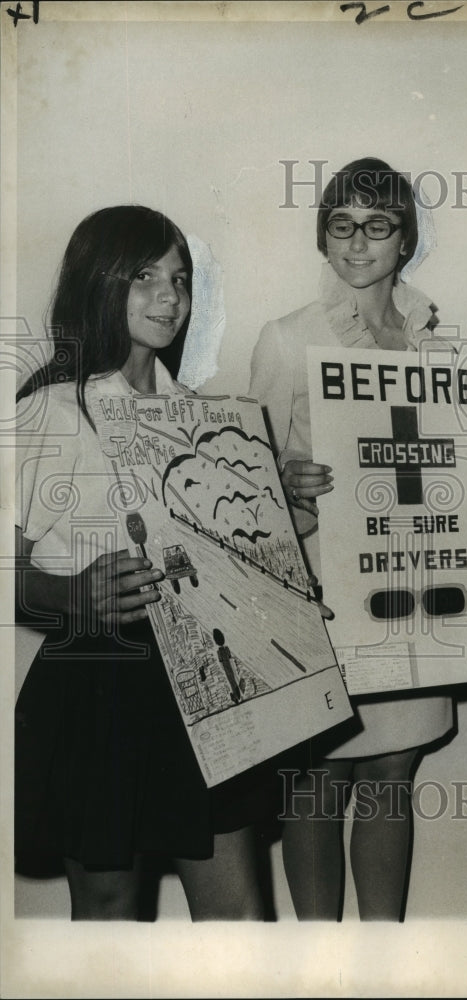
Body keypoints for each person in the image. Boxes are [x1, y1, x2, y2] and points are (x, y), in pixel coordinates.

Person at [249, 157, 467, 920]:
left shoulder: (440, 343)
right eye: (342, 224)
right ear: (322, 237)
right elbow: (247, 477)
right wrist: (285, 478)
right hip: (325, 592)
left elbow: (454, 462)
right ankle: (320, 962)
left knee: (393, 769)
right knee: (319, 776)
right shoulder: (287, 336)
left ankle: (382, 954)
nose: (359, 241)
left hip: (415, 585)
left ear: (405, 240)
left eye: (378, 225)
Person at [15, 205, 266, 920]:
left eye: (180, 280)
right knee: (108, 913)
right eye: (146, 278)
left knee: (237, 916)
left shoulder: (204, 414)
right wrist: (68, 596)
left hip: (208, 680)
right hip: (97, 687)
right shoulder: (49, 411)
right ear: (99, 283)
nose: (170, 298)